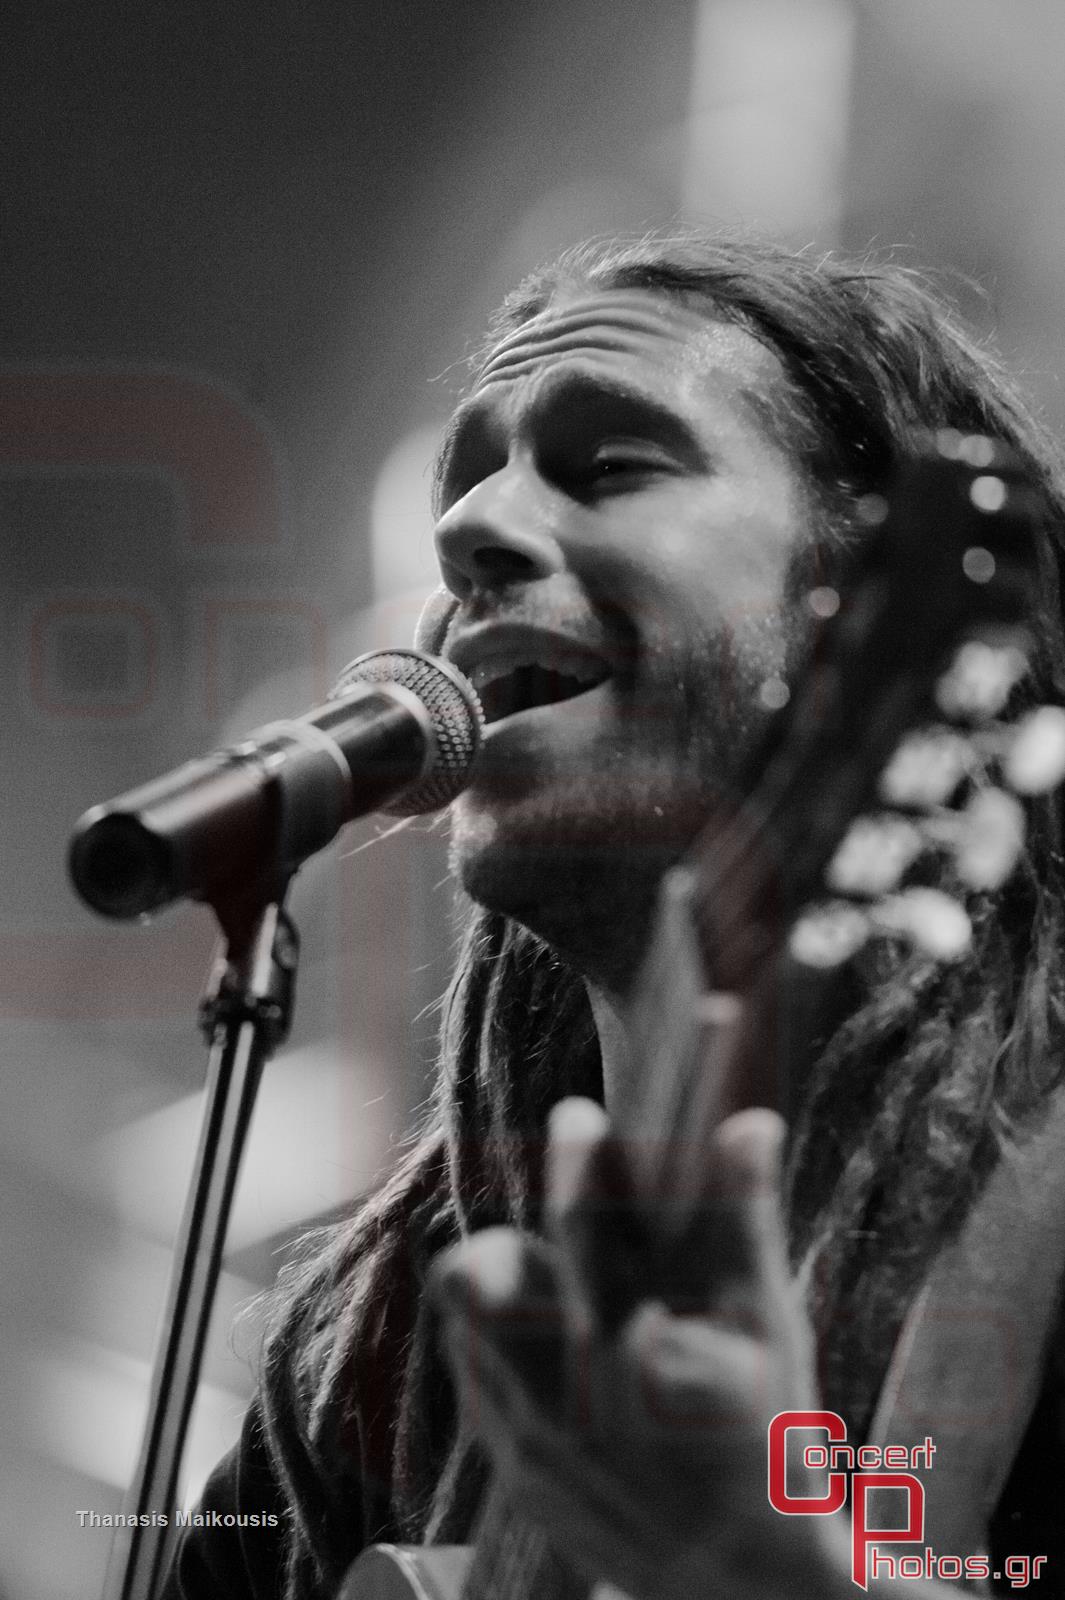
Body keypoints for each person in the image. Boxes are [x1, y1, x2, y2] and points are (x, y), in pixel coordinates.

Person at [162, 233, 1065, 1600]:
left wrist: (763, 1571)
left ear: (863, 604)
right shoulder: (378, 1350)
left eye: (611, 465)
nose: (468, 529)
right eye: (468, 483)